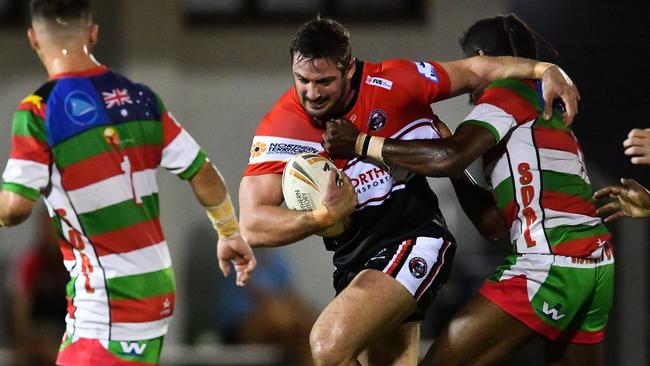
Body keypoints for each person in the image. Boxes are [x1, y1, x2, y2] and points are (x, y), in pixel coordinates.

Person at [239, 16, 579, 365]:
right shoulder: (281, 127)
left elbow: (477, 69)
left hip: (414, 239)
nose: (312, 93)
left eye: (324, 81)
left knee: (327, 344)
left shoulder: (396, 81)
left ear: (350, 69)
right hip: (353, 259)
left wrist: (546, 69)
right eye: (302, 80)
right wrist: (321, 217)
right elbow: (252, 223)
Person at [322, 14, 612, 366]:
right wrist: (457, 169)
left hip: (550, 263)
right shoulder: (545, 110)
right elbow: (492, 224)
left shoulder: (506, 94)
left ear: (481, 58)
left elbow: (448, 155)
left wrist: (361, 143)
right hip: (596, 265)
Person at [0, 1, 256, 365]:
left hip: (109, 302)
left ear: (32, 39)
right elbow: (203, 172)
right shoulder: (141, 98)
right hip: (154, 292)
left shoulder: (39, 111)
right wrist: (229, 232)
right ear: (93, 33)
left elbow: (14, 209)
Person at [8, 207, 68, 366]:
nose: (51, 233)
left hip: (68, 335)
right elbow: (20, 316)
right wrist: (36, 345)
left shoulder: (76, 264)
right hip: (38, 336)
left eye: (55, 228)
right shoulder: (31, 263)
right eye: (47, 227)